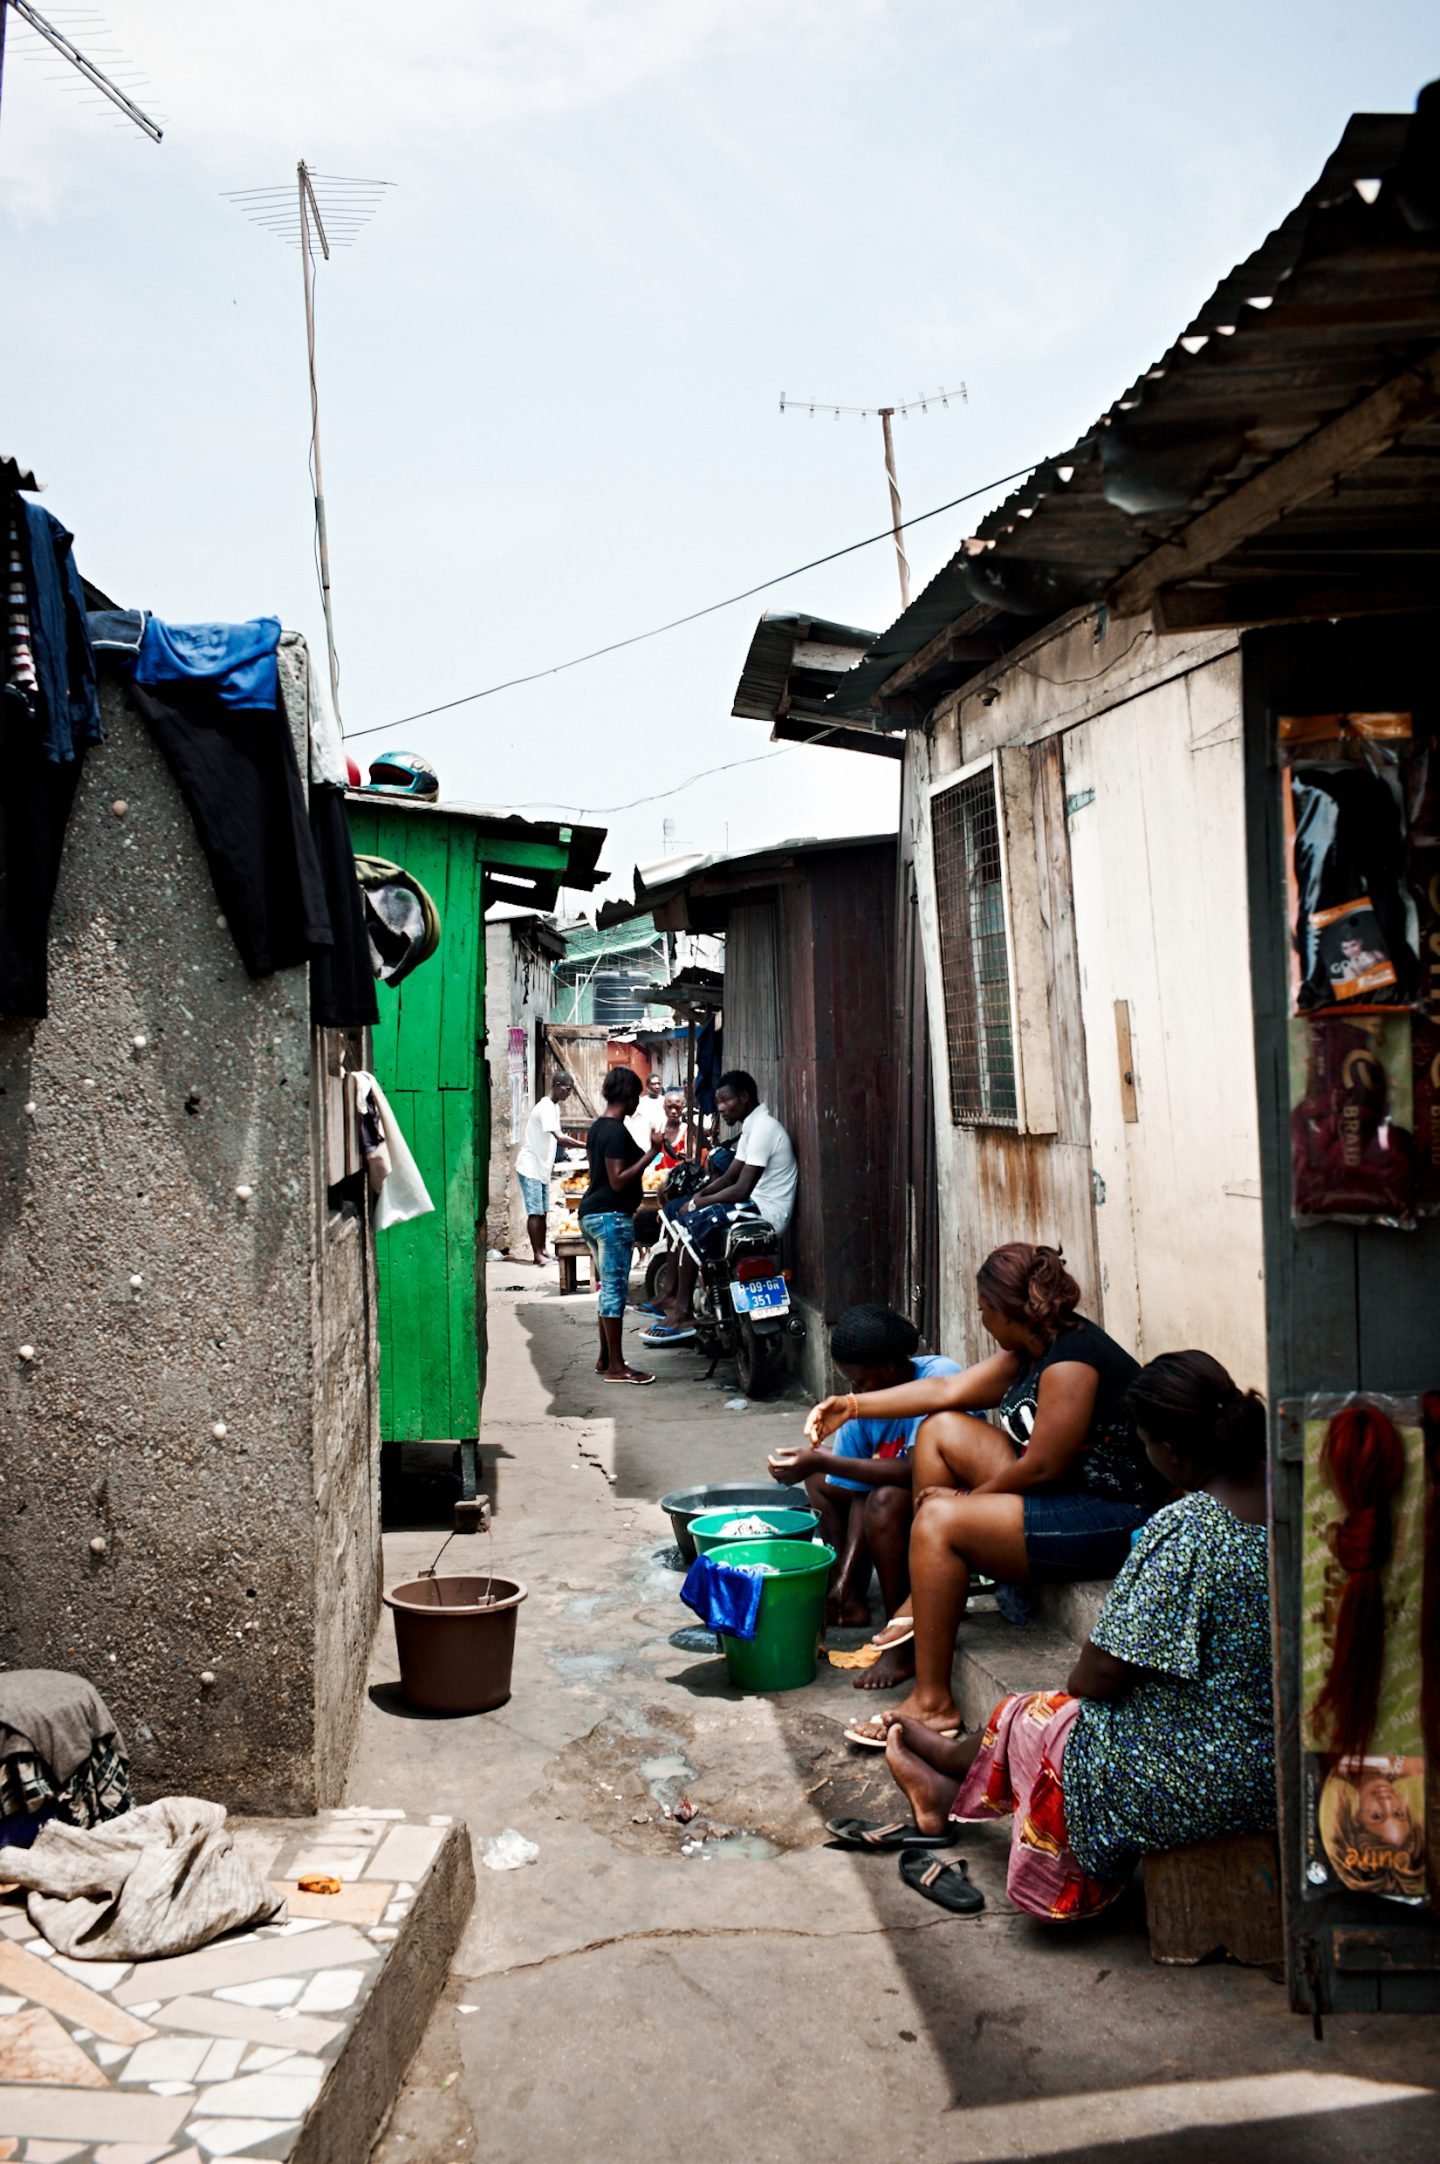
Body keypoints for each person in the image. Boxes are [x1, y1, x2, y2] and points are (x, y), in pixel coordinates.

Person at [854, 1352, 1274, 1921]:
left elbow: (1095, 1676)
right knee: (1045, 1715)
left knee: (1045, 1718)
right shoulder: (1293, 1503)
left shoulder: (1190, 1529)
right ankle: (952, 1776)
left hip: (1217, 1776)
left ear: (1170, 1453)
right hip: (1281, 1751)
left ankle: (955, 1774)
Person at [806, 1243, 1166, 1734]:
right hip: (1065, 1489)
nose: (981, 1320)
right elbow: (945, 1393)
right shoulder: (1032, 1350)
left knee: (938, 1519)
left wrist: (968, 1502)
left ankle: (933, 1702)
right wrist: (850, 1406)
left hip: (1111, 1512)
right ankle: (925, 1592)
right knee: (940, 1429)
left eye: (982, 1311)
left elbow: (1041, 1467)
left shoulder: (1073, 1360)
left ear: (1006, 1311)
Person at [767, 1305, 960, 1630]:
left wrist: (825, 1458)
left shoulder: (939, 1376)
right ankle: (848, 1595)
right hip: (894, 1495)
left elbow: (918, 1470)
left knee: (884, 1498)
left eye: (861, 1381)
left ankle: (899, 1622)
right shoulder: (860, 1407)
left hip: (949, 1495)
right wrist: (844, 1575)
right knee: (819, 1478)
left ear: (890, 1367)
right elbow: (858, 1492)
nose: (855, 1391)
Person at [642, 1071, 796, 1347]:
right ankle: (674, 1295)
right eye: (719, 1101)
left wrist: (698, 1204)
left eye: (725, 1101)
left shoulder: (763, 1128)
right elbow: (728, 1177)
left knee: (692, 1222)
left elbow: (740, 1188)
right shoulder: (752, 1126)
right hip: (752, 1205)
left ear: (744, 1097)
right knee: (677, 1208)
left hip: (765, 1213)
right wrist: (696, 1195)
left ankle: (683, 1311)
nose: (721, 1108)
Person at [578, 1066, 665, 1385]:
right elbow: (617, 1180)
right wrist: (652, 1154)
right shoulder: (615, 1131)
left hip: (593, 1215)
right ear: (627, 1097)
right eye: (637, 1096)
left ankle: (605, 1358)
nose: (638, 1104)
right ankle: (616, 1366)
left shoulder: (599, 1127)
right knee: (614, 1290)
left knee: (607, 1290)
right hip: (610, 1217)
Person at [513, 1075, 586, 1266]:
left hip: (542, 1167)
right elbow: (560, 1138)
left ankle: (543, 1250)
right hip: (531, 1167)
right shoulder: (545, 1107)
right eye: (567, 1089)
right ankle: (537, 1255)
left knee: (543, 1211)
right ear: (557, 1086)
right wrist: (588, 1145)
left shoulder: (554, 1107)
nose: (569, 1093)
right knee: (535, 1213)